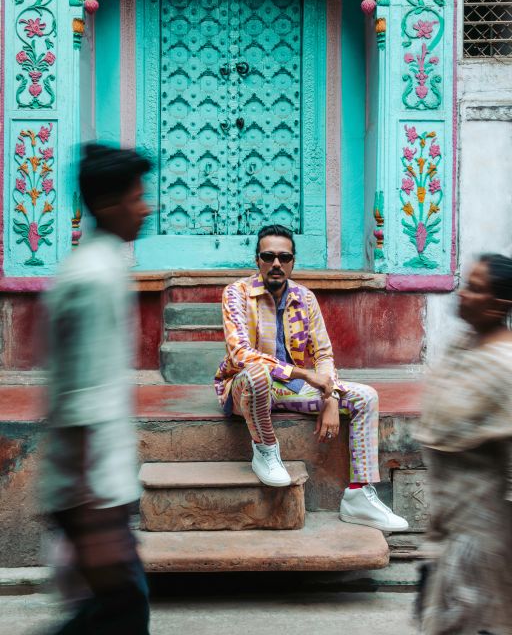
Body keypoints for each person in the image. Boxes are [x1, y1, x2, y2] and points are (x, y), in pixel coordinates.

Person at [214, 224, 408, 532]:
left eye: (284, 257)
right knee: (257, 373)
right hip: (245, 388)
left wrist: (330, 396)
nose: (276, 263)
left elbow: (324, 354)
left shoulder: (304, 298)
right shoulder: (236, 294)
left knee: (365, 396)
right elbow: (240, 353)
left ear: (292, 262)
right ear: (257, 260)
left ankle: (359, 495)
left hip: (289, 390)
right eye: (268, 256)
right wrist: (303, 373)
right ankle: (265, 451)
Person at [41, 143, 152, 634]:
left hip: (98, 490)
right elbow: (82, 400)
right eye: (137, 197)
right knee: (122, 615)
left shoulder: (98, 266)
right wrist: (94, 521)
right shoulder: (93, 279)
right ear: (108, 204)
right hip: (93, 493)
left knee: (108, 616)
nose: (146, 208)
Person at [416, 254, 512, 634]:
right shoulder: (464, 345)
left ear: (499, 305)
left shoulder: (505, 367)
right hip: (449, 526)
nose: (462, 293)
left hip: (485, 541)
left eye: (475, 288)